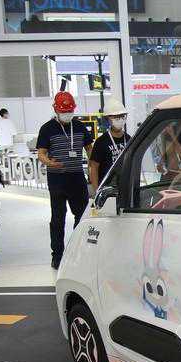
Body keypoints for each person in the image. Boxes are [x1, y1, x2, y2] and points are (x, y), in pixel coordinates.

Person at [36, 92, 93, 269]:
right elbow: (41, 153)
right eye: (63, 111)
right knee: (58, 218)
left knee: (82, 216)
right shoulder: (47, 129)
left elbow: (90, 149)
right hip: (57, 178)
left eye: (69, 111)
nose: (67, 114)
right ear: (56, 110)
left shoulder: (80, 126)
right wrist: (49, 162)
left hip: (77, 177)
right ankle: (57, 255)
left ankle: (77, 250)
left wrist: (92, 167)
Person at [89, 98, 131, 193]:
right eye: (116, 117)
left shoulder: (129, 139)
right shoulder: (101, 142)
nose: (119, 119)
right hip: (107, 189)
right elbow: (94, 167)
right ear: (108, 118)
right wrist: (96, 191)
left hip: (126, 186)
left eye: (122, 116)